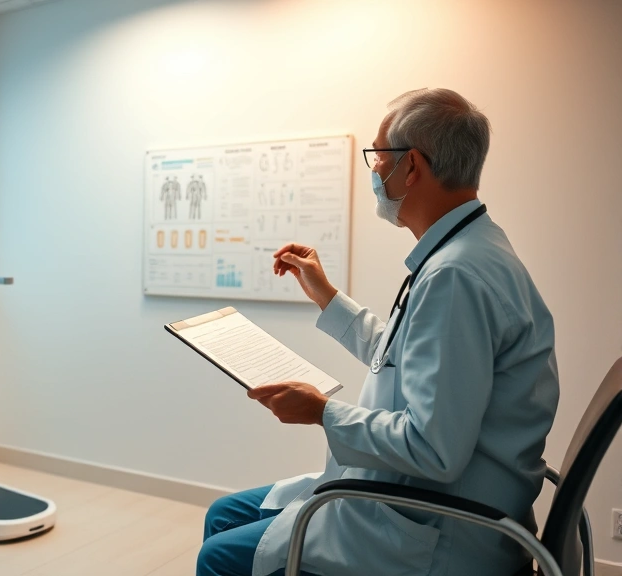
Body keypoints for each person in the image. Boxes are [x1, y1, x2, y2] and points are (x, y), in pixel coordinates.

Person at [197, 89, 560, 576]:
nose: (373, 173)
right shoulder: (471, 250)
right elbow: (409, 359)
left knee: (218, 556)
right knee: (224, 515)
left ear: (411, 166)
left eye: (377, 158)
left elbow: (432, 449)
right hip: (434, 498)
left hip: (439, 529)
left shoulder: (456, 276)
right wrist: (327, 296)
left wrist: (322, 412)